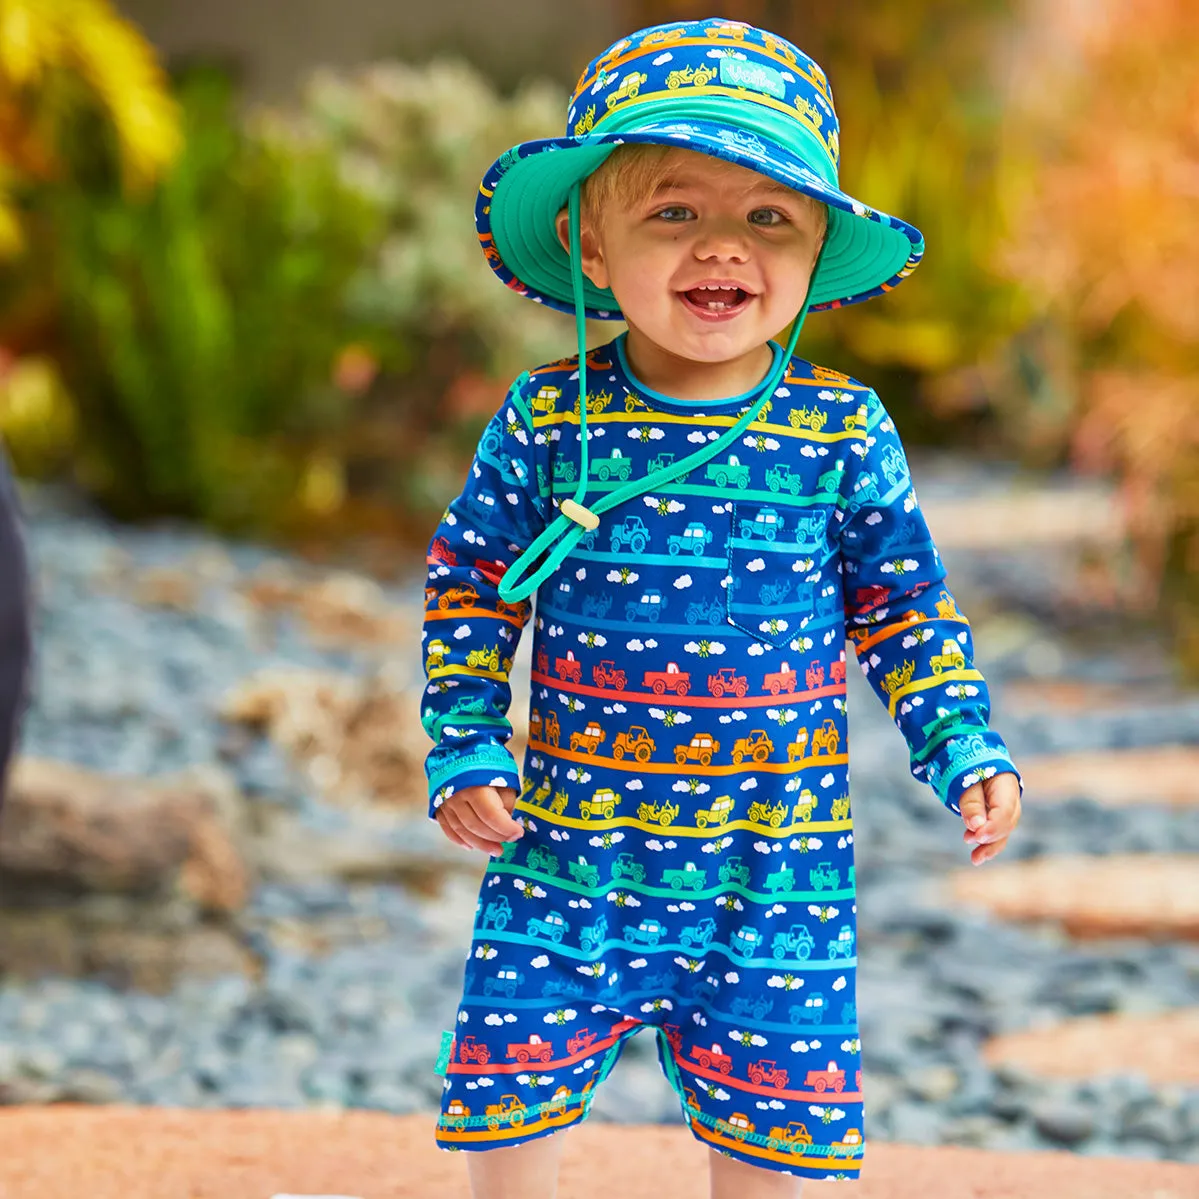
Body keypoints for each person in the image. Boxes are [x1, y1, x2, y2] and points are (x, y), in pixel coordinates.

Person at [419, 17, 1023, 1196]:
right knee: (507, 1103)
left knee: (769, 1131)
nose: (721, 250)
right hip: (573, 839)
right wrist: (464, 737)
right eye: (673, 212)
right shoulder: (553, 419)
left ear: (810, 256)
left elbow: (901, 608)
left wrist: (957, 739)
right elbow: (473, 585)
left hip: (771, 857)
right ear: (589, 244)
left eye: (766, 219)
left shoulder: (837, 428)